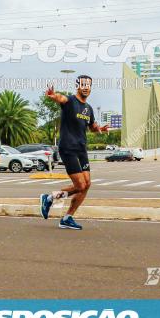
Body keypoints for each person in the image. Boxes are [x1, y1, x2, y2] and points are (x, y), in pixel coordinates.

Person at [39, 75, 108, 230]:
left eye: (88, 85)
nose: (86, 87)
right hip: (68, 148)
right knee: (80, 185)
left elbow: (91, 126)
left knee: (87, 185)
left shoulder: (88, 108)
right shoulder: (70, 101)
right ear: (77, 86)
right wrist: (53, 96)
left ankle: (67, 217)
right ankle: (49, 198)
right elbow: (60, 98)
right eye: (83, 84)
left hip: (81, 149)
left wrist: (99, 129)